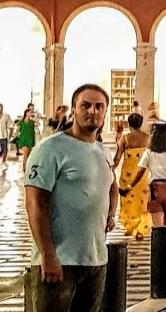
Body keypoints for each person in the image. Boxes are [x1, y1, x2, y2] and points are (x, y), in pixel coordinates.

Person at [24, 84, 119, 312]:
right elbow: (35, 202)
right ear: (74, 110)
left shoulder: (102, 150)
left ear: (105, 112)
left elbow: (112, 185)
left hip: (95, 259)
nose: (92, 111)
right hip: (59, 260)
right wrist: (48, 255)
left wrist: (111, 214)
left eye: (99, 106)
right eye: (85, 105)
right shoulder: (50, 149)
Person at [114, 113, 153, 240]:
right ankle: (141, 229)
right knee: (143, 201)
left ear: (129, 124)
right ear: (141, 123)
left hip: (128, 174)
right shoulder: (148, 138)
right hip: (143, 174)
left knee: (129, 201)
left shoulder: (125, 139)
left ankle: (130, 227)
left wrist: (110, 168)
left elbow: (117, 158)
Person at [139, 124, 166, 227]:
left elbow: (140, 171)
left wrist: (131, 184)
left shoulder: (149, 153)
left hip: (155, 188)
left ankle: (158, 242)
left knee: (157, 225)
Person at [17, 105, 39, 172]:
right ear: (26, 113)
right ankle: (26, 168)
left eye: (31, 113)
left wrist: (35, 116)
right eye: (29, 112)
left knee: (28, 154)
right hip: (24, 138)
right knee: (26, 153)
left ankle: (25, 166)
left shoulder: (32, 122)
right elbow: (18, 130)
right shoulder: (21, 122)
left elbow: (37, 124)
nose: (30, 114)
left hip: (30, 138)